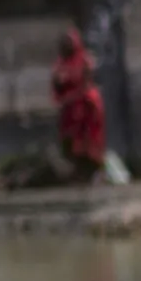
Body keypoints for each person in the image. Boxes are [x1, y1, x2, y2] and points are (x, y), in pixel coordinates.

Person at [51, 26, 108, 181]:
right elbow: (57, 85)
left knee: (89, 141)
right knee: (71, 143)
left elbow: (87, 82)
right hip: (69, 110)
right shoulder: (60, 64)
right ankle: (77, 172)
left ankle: (95, 170)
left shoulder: (84, 60)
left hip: (86, 108)